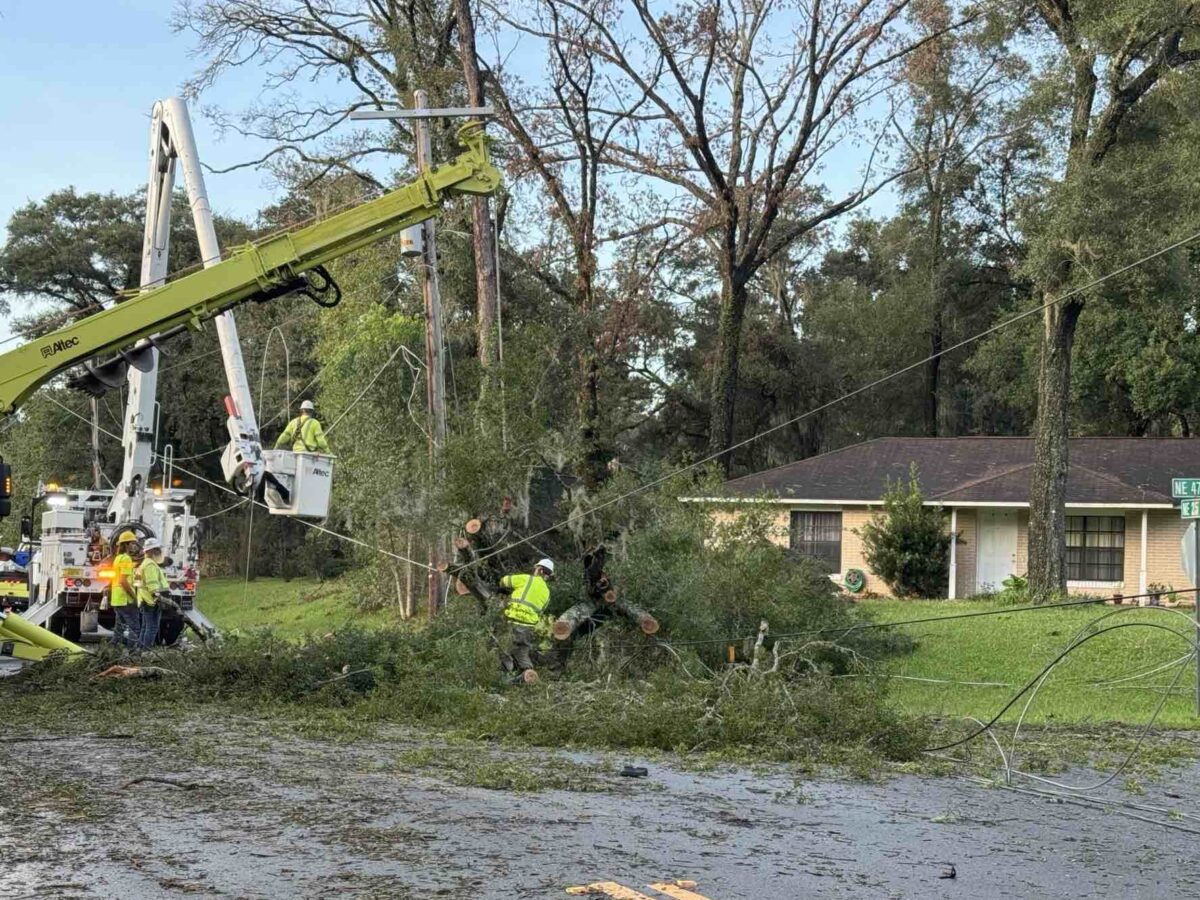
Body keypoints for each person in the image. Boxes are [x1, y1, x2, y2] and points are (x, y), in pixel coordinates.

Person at [497, 559, 554, 677]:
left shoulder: (526, 579)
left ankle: (504, 677)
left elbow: (503, 581)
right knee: (522, 652)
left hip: (513, 620)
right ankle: (528, 675)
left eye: (536, 568)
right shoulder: (547, 593)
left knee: (503, 648)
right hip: (528, 626)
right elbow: (541, 610)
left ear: (540, 569)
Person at [135, 538, 169, 649]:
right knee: (152, 627)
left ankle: (140, 651)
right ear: (151, 551)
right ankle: (146, 651)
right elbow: (152, 583)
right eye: (156, 549)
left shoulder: (144, 563)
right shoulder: (150, 565)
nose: (158, 551)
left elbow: (138, 583)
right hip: (152, 601)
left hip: (145, 599)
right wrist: (158, 597)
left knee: (146, 627)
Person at [108, 531, 140, 648]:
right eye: (132, 543)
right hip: (126, 599)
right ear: (126, 545)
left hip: (117, 599)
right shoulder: (126, 559)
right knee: (134, 628)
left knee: (119, 628)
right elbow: (123, 580)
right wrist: (134, 597)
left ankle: (110, 650)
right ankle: (132, 655)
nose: (135, 545)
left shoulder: (118, 558)